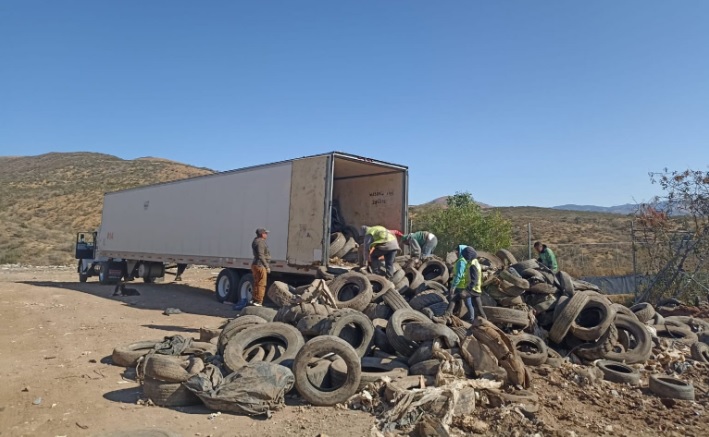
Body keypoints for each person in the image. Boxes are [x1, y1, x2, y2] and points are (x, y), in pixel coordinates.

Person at [445, 245, 486, 322]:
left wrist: (467, 290)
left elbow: (474, 279)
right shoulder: (475, 262)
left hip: (472, 289)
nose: (465, 258)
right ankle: (483, 321)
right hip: (476, 290)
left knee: (454, 298)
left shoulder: (473, 265)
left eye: (465, 256)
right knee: (479, 309)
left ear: (468, 255)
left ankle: (446, 317)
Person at [250, 228, 271, 306]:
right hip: (260, 265)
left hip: (255, 264)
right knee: (261, 284)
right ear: (262, 234)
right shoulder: (261, 242)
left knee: (256, 282)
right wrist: (267, 266)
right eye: (266, 233)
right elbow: (261, 255)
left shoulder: (255, 240)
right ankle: (259, 301)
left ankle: (254, 299)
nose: (267, 234)